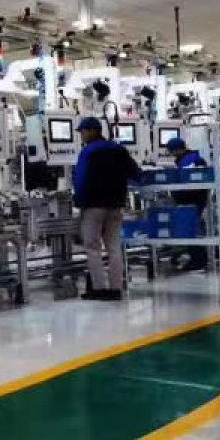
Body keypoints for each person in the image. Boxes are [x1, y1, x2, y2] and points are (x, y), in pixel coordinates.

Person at [73, 116, 141, 301]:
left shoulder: (88, 152)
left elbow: (81, 179)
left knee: (92, 247)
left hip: (93, 206)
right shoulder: (119, 149)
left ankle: (99, 289)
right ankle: (116, 289)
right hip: (116, 205)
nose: (82, 135)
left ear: (92, 131)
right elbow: (135, 173)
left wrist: (79, 202)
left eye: (83, 132)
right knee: (113, 247)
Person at [165, 135, 209, 272]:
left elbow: (190, 180)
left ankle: (198, 261)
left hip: (192, 200)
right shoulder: (190, 158)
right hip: (194, 199)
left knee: (191, 229)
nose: (171, 154)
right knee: (192, 229)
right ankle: (198, 258)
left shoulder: (190, 160)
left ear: (178, 149)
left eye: (171, 151)